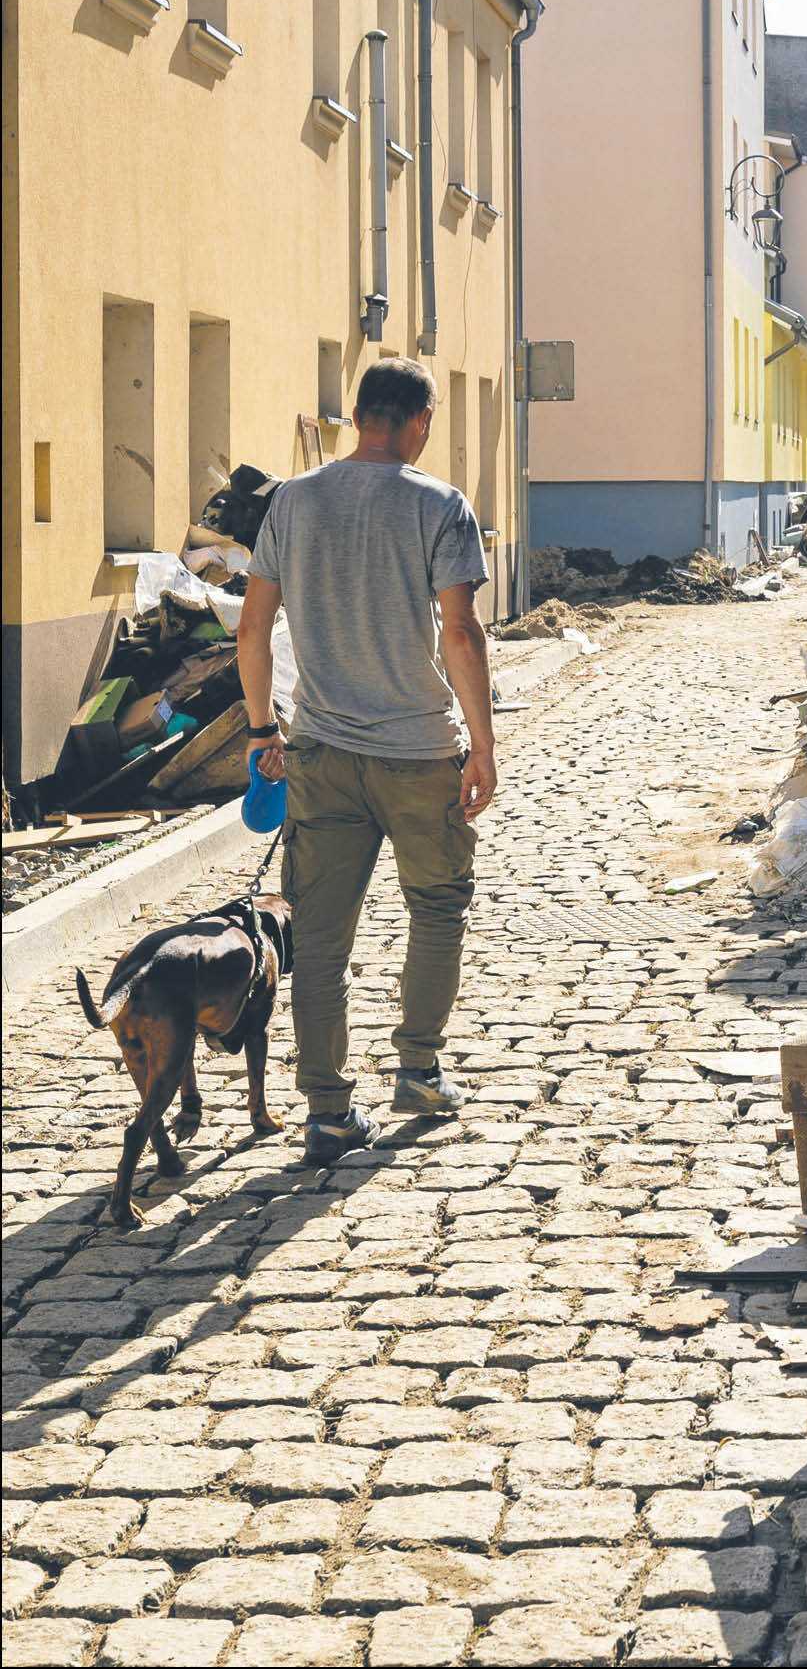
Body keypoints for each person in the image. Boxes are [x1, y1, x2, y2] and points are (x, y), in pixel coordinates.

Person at [238, 357, 497, 1164]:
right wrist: (482, 743)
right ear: (418, 419)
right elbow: (459, 632)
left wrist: (260, 731)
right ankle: (417, 1071)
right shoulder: (438, 505)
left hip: (319, 751)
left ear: (358, 417)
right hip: (419, 752)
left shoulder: (293, 499)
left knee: (317, 938)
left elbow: (251, 630)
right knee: (437, 909)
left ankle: (325, 1111)